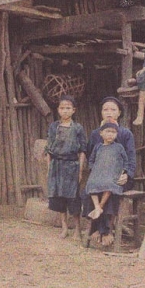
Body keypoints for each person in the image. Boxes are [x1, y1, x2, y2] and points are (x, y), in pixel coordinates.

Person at [83, 97, 137, 247]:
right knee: (91, 189)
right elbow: (90, 156)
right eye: (105, 109)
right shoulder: (96, 134)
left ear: (119, 113)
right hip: (100, 175)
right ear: (101, 113)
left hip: (120, 176)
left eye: (113, 109)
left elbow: (131, 159)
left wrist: (127, 174)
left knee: (112, 189)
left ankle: (106, 230)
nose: (109, 113)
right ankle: (98, 228)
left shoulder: (126, 134)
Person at [45, 96, 87, 239]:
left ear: (73, 110)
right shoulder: (53, 127)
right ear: (58, 110)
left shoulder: (77, 128)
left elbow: (82, 151)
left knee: (73, 198)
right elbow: (49, 150)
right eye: (62, 108)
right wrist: (48, 169)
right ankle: (64, 227)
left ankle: (77, 229)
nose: (65, 111)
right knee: (59, 197)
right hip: (56, 166)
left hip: (72, 166)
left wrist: (80, 171)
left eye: (68, 108)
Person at [85, 122, 128, 220]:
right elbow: (91, 160)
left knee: (109, 184)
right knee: (91, 183)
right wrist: (93, 169)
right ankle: (97, 207)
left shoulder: (119, 147)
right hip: (99, 173)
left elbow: (126, 161)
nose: (110, 134)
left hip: (112, 173)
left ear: (117, 134)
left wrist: (124, 171)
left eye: (113, 132)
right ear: (101, 133)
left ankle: (100, 206)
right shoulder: (98, 147)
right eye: (107, 131)